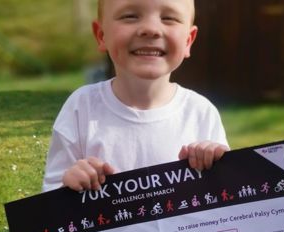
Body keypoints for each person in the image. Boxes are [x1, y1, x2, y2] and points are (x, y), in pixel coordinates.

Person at [41, 0, 229, 192]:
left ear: (188, 40)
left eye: (168, 18)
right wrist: (68, 184)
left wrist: (220, 165)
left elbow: (226, 195)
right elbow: (50, 195)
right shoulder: (81, 107)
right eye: (130, 16)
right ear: (101, 35)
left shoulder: (201, 113)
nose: (151, 29)